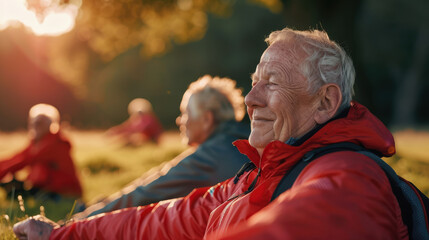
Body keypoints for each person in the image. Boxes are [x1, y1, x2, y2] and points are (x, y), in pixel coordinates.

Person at [13, 28, 408, 240]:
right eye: (254, 81)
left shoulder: (349, 177)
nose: (251, 98)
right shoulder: (259, 172)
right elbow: (164, 219)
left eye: (271, 82)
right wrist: (61, 234)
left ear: (324, 103)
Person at [74, 75, 250, 218]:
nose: (179, 120)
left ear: (206, 120)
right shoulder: (244, 142)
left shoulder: (211, 155)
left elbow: (146, 192)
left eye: (185, 113)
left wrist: (80, 219)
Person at [0, 103, 82, 199]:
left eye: (40, 123)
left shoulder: (55, 143)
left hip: (64, 192)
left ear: (51, 125)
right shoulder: (38, 142)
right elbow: (18, 157)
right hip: (49, 188)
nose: (36, 126)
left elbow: (23, 161)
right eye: (34, 123)